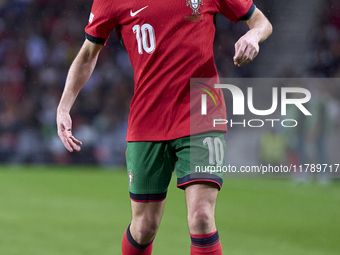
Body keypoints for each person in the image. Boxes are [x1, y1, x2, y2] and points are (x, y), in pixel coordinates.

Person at [56, 0, 272, 254]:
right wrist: (63, 106)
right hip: (147, 120)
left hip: (201, 113)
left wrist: (253, 35)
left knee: (201, 217)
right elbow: (88, 55)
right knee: (144, 227)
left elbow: (261, 21)